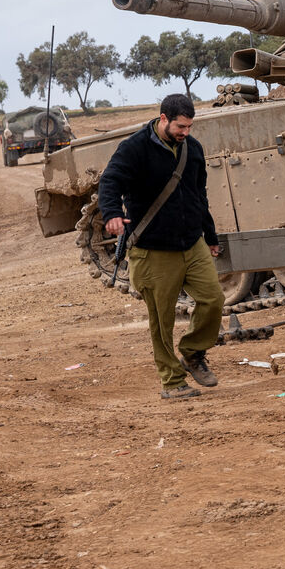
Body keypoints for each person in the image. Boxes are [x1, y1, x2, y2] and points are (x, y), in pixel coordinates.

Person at [98, 94, 224, 399]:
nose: (186, 133)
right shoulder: (135, 148)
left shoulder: (192, 149)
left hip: (191, 242)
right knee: (162, 319)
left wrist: (210, 235)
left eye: (190, 127)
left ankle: (193, 353)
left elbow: (199, 195)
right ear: (163, 118)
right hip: (153, 248)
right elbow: (110, 181)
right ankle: (172, 381)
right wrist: (113, 213)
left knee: (213, 299)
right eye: (181, 126)